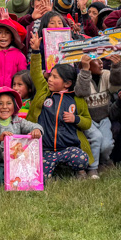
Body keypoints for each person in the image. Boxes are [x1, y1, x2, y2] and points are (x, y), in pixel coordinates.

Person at [27, 31, 93, 180]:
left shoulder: (76, 99)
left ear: (67, 83)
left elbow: (87, 122)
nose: (49, 79)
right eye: (50, 75)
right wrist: (36, 51)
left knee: (82, 159)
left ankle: (78, 171)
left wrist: (75, 119)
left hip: (68, 149)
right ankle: (53, 172)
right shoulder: (45, 92)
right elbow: (36, 72)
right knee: (41, 177)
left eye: (55, 77)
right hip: (45, 150)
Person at [75, 54, 121, 177]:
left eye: (101, 59)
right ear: (87, 64)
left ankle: (103, 162)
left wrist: (117, 66)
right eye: (96, 60)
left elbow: (118, 83)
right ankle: (93, 168)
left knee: (107, 145)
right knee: (96, 139)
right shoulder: (81, 77)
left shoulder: (106, 74)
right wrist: (85, 71)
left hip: (104, 118)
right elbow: (82, 92)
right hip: (89, 120)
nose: (101, 63)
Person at [0, 87, 43, 185]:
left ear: (14, 106)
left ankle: (12, 179)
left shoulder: (18, 121)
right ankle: (5, 178)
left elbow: (35, 126)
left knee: (36, 178)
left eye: (9, 103)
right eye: (0, 103)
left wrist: (37, 130)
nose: (4, 107)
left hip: (17, 163)